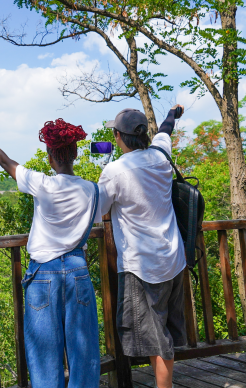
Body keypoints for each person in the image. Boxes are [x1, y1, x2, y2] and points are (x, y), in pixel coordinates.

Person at [0, 106, 103, 388]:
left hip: (44, 275)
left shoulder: (42, 184)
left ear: (50, 156)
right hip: (78, 271)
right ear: (75, 153)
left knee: (44, 355)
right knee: (84, 352)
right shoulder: (92, 190)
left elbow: (5, 161)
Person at [98, 105, 186, 388]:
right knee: (159, 334)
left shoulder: (115, 171)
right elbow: (166, 130)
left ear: (117, 136)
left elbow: (98, 211)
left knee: (156, 339)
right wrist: (173, 113)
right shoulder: (160, 155)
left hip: (142, 267)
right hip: (173, 259)